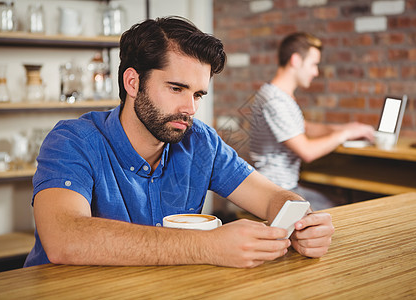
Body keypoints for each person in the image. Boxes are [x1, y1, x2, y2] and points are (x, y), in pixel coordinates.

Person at [24, 17, 334, 269]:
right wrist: (208, 246)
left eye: (198, 94)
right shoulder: (72, 141)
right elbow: (64, 237)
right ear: (133, 82)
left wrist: (303, 222)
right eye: (176, 89)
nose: (191, 109)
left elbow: (272, 197)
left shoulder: (200, 141)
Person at [250, 32, 375, 211]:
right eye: (313, 64)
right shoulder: (274, 100)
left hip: (283, 186)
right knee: (340, 208)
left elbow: (304, 128)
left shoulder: (280, 95)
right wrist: (344, 134)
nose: (316, 72)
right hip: (275, 191)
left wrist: (345, 128)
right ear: (295, 60)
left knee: (341, 199)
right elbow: (307, 151)